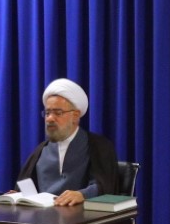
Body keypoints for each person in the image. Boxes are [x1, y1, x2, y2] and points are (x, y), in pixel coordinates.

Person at [13, 78, 123, 206]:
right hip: (43, 216)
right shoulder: (40, 151)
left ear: (75, 116)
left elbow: (104, 186)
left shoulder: (99, 147)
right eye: (47, 113)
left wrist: (82, 194)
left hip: (82, 215)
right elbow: (28, 188)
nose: (50, 119)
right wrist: (18, 195)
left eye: (58, 113)